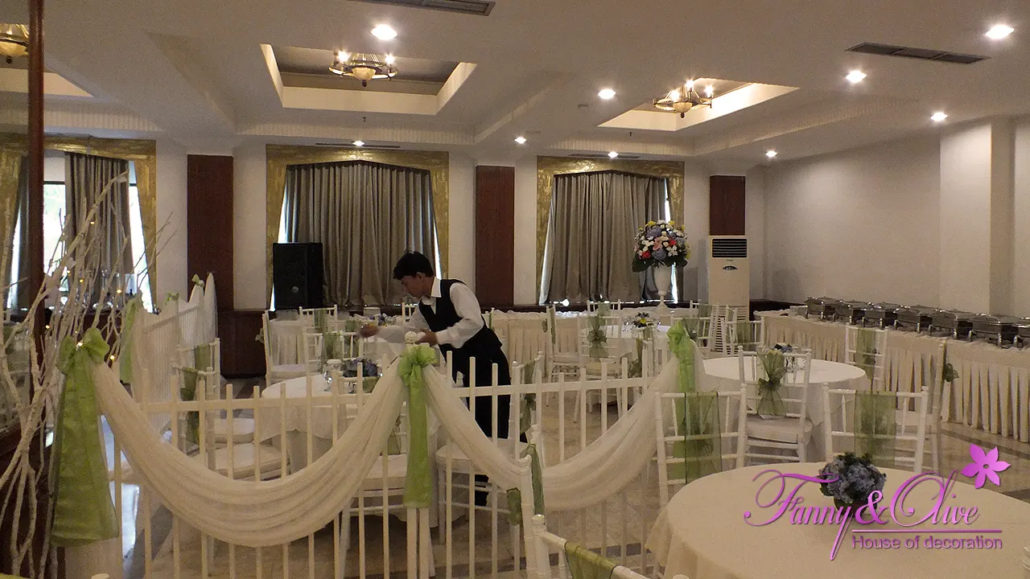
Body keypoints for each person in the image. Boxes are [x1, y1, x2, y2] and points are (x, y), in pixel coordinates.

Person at [360, 251, 511, 439]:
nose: (406, 290)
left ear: (420, 276)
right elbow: (409, 331)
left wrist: (437, 337)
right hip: (467, 368)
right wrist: (378, 331)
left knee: (497, 422)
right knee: (479, 423)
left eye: (406, 283)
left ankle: (512, 455)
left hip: (489, 362)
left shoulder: (455, 290)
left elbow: (474, 323)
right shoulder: (424, 306)